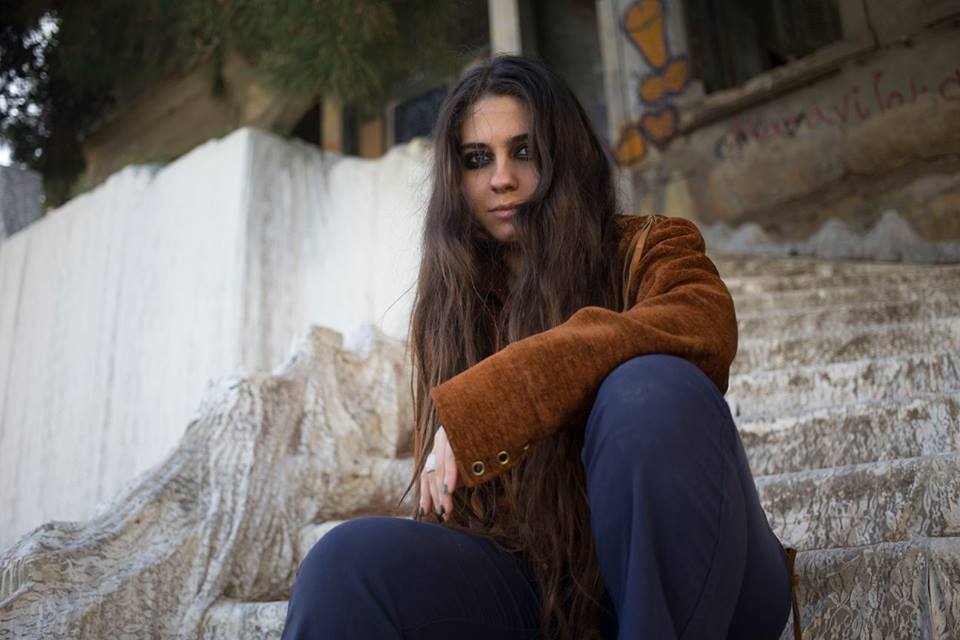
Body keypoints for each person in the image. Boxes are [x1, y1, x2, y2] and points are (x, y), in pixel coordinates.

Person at [281, 55, 793, 640]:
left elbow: (703, 324)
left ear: (565, 154)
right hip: (548, 595)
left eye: (524, 151)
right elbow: (453, 516)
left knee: (648, 390)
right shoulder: (453, 307)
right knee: (343, 565)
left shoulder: (649, 248)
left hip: (712, 579)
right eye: (478, 159)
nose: (502, 178)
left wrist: (503, 394)